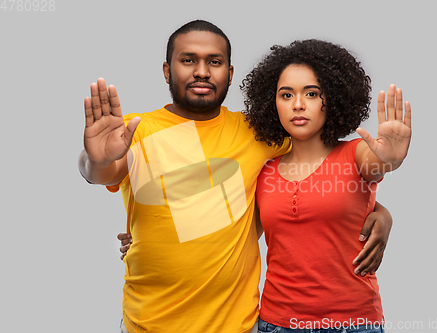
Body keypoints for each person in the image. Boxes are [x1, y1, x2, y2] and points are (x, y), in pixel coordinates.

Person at [79, 20, 393, 333]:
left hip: (238, 325)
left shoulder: (257, 133)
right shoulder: (135, 130)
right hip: (146, 325)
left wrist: (378, 210)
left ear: (229, 74)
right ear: (166, 70)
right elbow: (99, 172)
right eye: (188, 60)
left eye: (214, 62)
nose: (202, 71)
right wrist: (96, 158)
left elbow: (320, 164)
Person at [240, 39, 412, 332]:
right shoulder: (263, 171)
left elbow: (376, 166)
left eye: (311, 93)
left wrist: (390, 159)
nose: (298, 105)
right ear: (273, 103)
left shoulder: (355, 154)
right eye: (286, 94)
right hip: (277, 323)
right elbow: (236, 237)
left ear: (331, 98)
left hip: (353, 323)